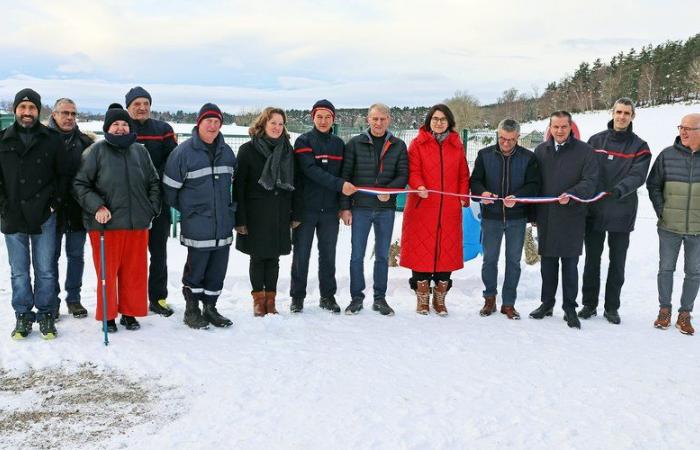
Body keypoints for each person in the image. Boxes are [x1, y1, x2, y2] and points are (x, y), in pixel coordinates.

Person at [73, 105, 160, 333]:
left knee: (134, 272)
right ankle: (109, 315)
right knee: (108, 274)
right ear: (107, 128)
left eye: (124, 124)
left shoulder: (140, 151)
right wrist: (97, 206)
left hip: (136, 224)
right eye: (115, 124)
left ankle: (129, 313)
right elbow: (80, 184)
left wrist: (151, 208)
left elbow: (153, 182)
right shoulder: (95, 151)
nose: (120, 128)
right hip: (106, 225)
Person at [0, 88, 68, 339]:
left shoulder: (52, 139)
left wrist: (53, 205)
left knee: (46, 268)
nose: (27, 113)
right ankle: (23, 315)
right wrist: (3, 207)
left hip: (44, 214)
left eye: (32, 108)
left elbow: (63, 176)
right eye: (22, 107)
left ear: (38, 111)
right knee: (18, 270)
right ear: (15, 110)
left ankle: (47, 313)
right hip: (13, 215)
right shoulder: (3, 139)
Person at [163, 103, 237, 329]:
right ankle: (192, 309)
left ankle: (211, 308)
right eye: (209, 121)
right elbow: (170, 190)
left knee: (217, 270)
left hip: (222, 224)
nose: (213, 126)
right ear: (199, 123)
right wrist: (190, 210)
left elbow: (235, 185)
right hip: (198, 224)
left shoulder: (227, 152)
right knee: (196, 269)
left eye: (217, 122)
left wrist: (229, 210)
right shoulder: (183, 152)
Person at [580, 98, 651, 324]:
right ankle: (589, 304)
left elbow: (638, 175)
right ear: (612, 113)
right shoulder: (596, 140)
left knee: (617, 262)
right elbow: (586, 169)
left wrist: (619, 189)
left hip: (622, 211)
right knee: (592, 260)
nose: (622, 117)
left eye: (627, 113)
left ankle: (612, 307)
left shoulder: (640, 146)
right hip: (594, 211)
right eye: (619, 112)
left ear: (632, 116)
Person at [529, 111, 598, 329]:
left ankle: (569, 307)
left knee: (570, 265)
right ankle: (546, 303)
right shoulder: (541, 151)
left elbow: (590, 181)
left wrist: (572, 194)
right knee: (548, 265)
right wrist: (533, 215)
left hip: (572, 217)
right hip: (547, 216)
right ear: (549, 128)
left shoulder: (584, 151)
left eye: (564, 127)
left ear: (571, 128)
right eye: (555, 127)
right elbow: (534, 185)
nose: (559, 131)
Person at [399, 104, 470, 316]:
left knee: (445, 251)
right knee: (421, 251)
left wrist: (462, 197)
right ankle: (422, 297)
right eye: (435, 119)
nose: (438, 122)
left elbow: (463, 175)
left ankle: (440, 298)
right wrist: (418, 185)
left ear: (449, 122)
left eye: (443, 119)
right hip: (422, 206)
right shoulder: (417, 144)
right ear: (429, 121)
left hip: (448, 208)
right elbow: (412, 169)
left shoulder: (457, 146)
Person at [340, 103, 408, 316]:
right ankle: (356, 298)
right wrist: (345, 208)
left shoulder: (398, 145)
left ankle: (380, 299)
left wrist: (390, 191)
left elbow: (403, 175)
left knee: (381, 255)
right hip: (360, 208)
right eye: (375, 119)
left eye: (383, 119)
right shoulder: (354, 143)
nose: (379, 123)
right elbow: (346, 177)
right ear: (367, 119)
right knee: (357, 255)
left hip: (385, 209)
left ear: (389, 120)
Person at [289, 99, 356, 313]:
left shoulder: (338, 144)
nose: (323, 120)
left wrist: (344, 205)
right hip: (306, 209)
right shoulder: (303, 141)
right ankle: (297, 297)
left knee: (328, 255)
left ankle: (327, 296)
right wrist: (340, 185)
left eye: (328, 117)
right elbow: (311, 171)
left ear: (333, 119)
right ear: (313, 118)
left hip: (329, 211)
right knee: (302, 254)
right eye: (319, 116)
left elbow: (344, 174)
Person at [470, 118, 540, 320]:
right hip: (491, 218)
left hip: (517, 219)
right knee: (489, 260)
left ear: (518, 137)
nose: (506, 143)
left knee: (513, 262)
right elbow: (474, 182)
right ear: (497, 135)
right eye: (502, 138)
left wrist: (517, 198)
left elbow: (534, 185)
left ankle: (509, 303)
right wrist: (482, 193)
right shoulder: (485, 155)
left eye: (510, 139)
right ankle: (489, 298)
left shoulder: (528, 157)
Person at [234, 107, 298, 316]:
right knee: (258, 256)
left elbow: (296, 184)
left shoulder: (288, 150)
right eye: (273, 123)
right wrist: (240, 218)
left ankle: (271, 301)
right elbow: (239, 187)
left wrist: (295, 213)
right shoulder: (247, 150)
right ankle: (258, 300)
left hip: (280, 212)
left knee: (274, 258)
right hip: (255, 213)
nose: (277, 128)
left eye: (281, 124)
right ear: (263, 124)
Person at [125, 86, 177, 317]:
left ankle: (158, 298)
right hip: (129, 205)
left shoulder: (163, 130)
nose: (142, 107)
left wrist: (155, 183)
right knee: (131, 257)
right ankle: (131, 300)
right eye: (136, 104)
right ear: (128, 107)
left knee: (159, 253)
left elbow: (173, 160)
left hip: (158, 203)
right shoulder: (122, 129)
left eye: (145, 103)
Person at [647, 113, 700, 336]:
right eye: (681, 127)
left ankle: (685, 314)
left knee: (694, 273)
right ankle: (664, 310)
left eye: (689, 128)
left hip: (698, 230)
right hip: (669, 227)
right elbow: (653, 186)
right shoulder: (667, 156)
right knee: (666, 269)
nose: (683, 131)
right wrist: (662, 210)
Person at [48, 98, 95, 320]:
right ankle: (52, 300)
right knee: (50, 257)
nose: (69, 118)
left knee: (76, 256)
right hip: (51, 211)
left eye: (73, 114)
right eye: (64, 113)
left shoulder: (85, 143)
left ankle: (73, 299)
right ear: (54, 114)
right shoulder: (43, 139)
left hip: (77, 210)